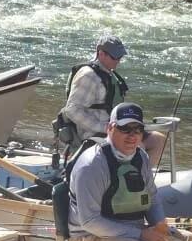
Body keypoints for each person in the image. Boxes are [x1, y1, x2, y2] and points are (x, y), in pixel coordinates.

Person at [66, 103, 174, 241]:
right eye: (125, 129)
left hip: (132, 230)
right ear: (110, 128)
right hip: (88, 237)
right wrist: (141, 235)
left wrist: (159, 225)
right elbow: (90, 221)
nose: (132, 135)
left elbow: (152, 198)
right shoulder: (91, 166)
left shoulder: (141, 156)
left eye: (138, 129)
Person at [56, 35, 165, 166]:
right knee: (137, 145)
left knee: (158, 140)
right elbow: (72, 110)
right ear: (101, 54)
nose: (118, 61)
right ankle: (128, 175)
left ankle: (142, 176)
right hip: (95, 133)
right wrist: (105, 128)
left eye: (120, 57)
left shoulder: (109, 73)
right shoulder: (88, 76)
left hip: (117, 128)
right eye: (115, 57)